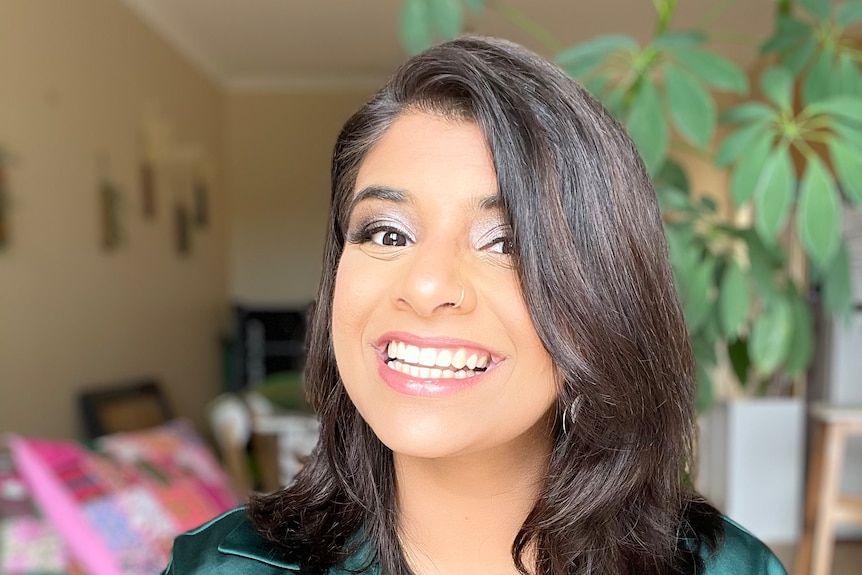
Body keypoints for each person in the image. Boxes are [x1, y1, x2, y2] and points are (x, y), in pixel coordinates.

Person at [162, 36, 787, 575]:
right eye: (387, 233)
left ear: (601, 300)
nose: (427, 285)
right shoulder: (222, 565)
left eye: (506, 242)